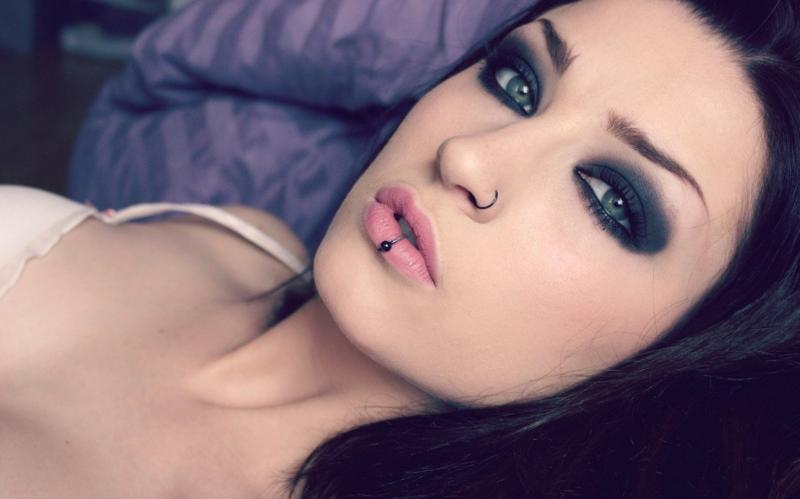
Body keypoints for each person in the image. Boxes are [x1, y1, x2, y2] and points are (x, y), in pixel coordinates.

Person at [2, 0, 799, 497]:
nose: (468, 157)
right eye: (517, 83)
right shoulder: (238, 235)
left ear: (689, 354)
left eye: (610, 198)